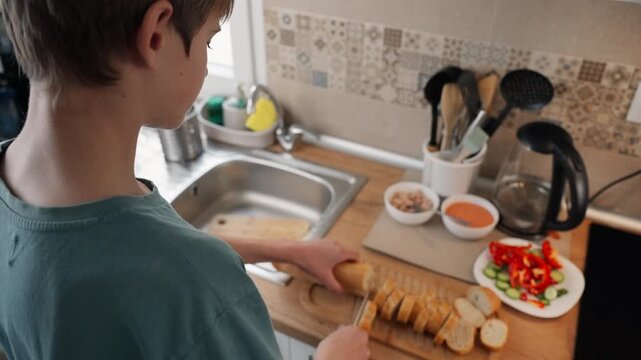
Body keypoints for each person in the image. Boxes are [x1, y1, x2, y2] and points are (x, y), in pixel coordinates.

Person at [0, 1, 370, 359]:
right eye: (209, 39)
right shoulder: (196, 292)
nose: (208, 64)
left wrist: (288, 251)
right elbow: (166, 265)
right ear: (156, 36)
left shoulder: (17, 187)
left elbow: (133, 254)